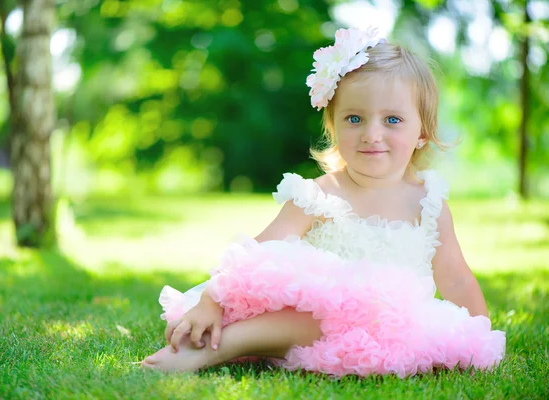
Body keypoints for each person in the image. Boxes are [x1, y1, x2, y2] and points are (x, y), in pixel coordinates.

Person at [142, 27, 506, 377]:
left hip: (382, 336)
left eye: (392, 120)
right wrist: (211, 301)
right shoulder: (319, 195)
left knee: (384, 312)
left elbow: (456, 278)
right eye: (354, 119)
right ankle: (220, 344)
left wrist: (479, 339)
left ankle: (229, 345)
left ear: (421, 132)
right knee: (335, 303)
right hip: (302, 326)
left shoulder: (428, 204)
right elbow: (256, 253)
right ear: (333, 125)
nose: (372, 134)